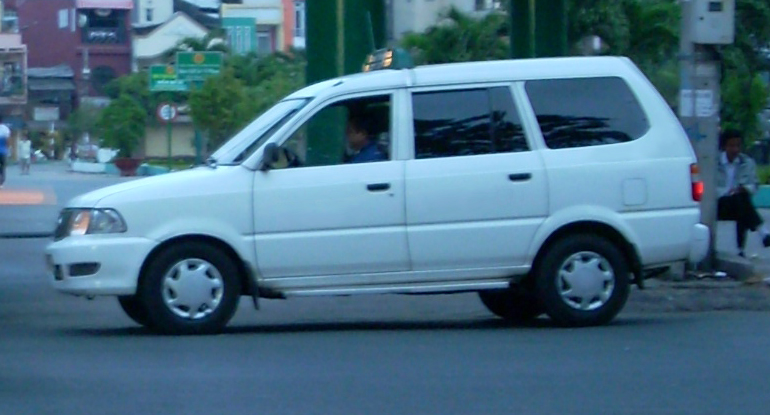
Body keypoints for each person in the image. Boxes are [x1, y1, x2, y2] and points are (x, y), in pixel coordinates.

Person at [716, 128, 770, 257]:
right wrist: (727, 192)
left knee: (741, 200)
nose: (735, 149)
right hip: (719, 203)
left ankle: (740, 250)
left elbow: (754, 184)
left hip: (738, 202)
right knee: (742, 203)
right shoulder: (714, 162)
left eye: (738, 146)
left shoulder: (746, 162)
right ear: (724, 146)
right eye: (731, 146)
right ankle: (762, 232)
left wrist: (745, 188)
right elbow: (709, 187)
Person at [0, 114, 9, 188]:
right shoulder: (5, 129)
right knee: (3, 167)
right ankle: (1, 182)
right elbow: (7, 141)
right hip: (3, 151)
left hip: (3, 150)